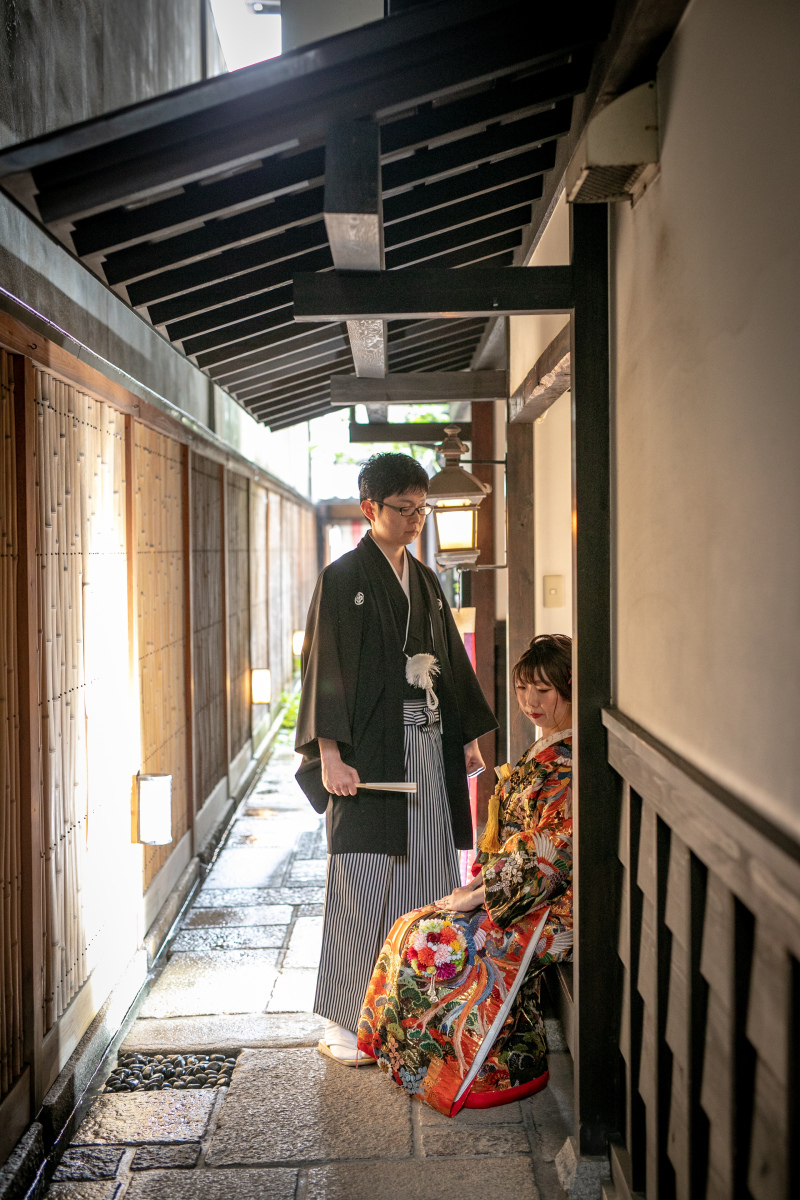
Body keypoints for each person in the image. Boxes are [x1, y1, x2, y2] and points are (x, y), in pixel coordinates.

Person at [294, 452, 498, 1066]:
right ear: (370, 509)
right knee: (361, 878)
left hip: (428, 748)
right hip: (367, 752)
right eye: (404, 509)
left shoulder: (428, 579)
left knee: (431, 875)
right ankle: (344, 1015)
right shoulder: (343, 577)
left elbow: (454, 668)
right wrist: (328, 752)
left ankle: (419, 1007)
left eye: (421, 509)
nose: (415, 520)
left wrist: (465, 737)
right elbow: (323, 670)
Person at [357, 633, 573, 1115]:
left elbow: (551, 855)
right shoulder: (548, 752)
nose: (530, 702)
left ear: (570, 687)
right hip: (517, 890)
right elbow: (515, 844)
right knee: (411, 926)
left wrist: (477, 899)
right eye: (523, 690)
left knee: (442, 940)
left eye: (543, 691)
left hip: (548, 907)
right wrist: (474, 887)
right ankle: (411, 1057)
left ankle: (490, 1069)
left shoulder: (568, 764)